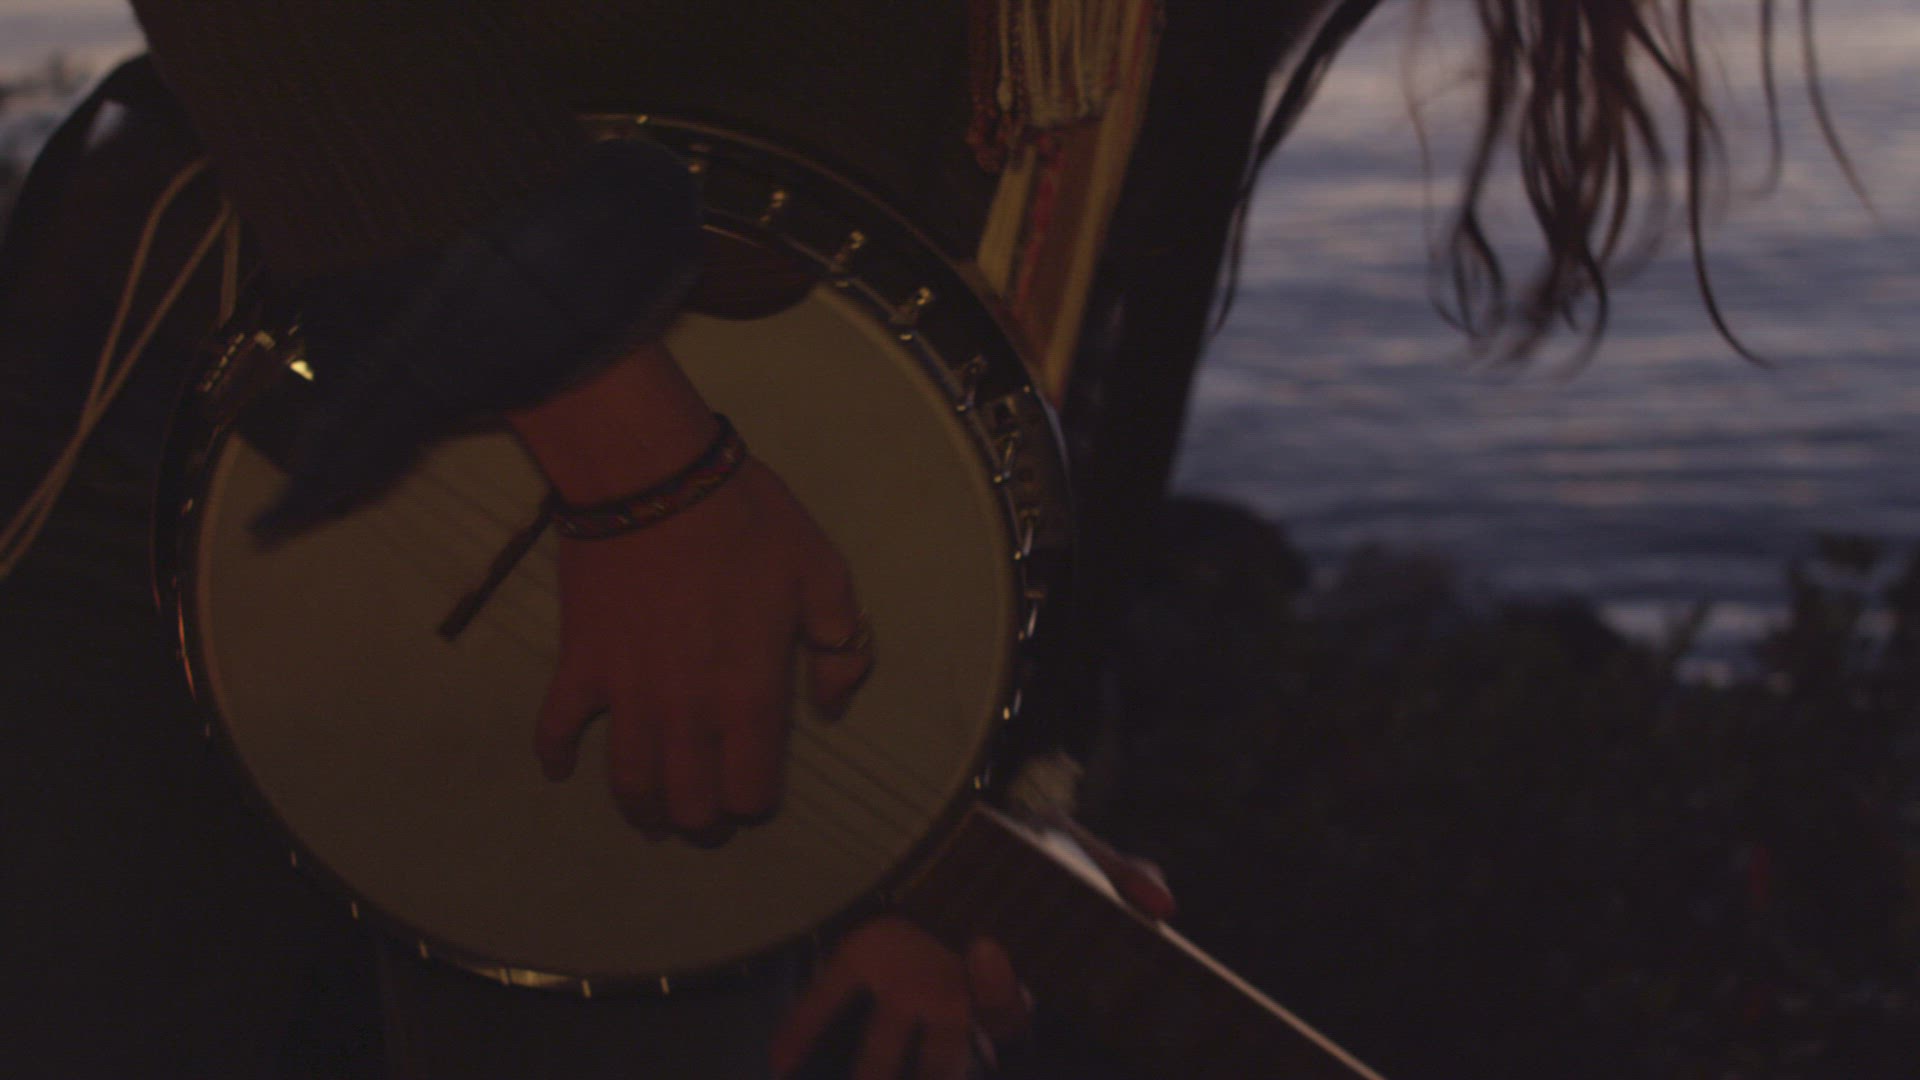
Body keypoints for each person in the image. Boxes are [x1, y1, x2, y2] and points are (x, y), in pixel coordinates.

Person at [0, 0, 1822, 1075]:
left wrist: (992, 768)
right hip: (249, 431)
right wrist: (633, 459)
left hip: (743, 576)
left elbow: (1110, 256)